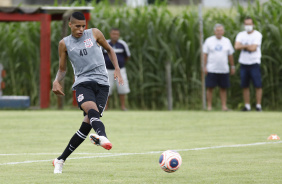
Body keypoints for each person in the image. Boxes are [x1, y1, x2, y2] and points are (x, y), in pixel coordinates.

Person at [52, 12, 123, 174]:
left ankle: (60, 160)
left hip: (103, 84)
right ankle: (102, 136)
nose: (81, 29)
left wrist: (117, 69)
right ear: (70, 25)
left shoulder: (95, 33)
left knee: (86, 126)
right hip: (83, 83)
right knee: (92, 112)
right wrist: (57, 81)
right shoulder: (64, 44)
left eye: (83, 26)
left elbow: (110, 50)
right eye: (77, 26)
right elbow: (62, 69)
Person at [203, 24, 235, 111]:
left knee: (223, 88)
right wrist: (204, 66)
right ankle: (209, 106)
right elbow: (205, 54)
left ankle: (224, 106)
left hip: (224, 69)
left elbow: (230, 55)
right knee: (210, 87)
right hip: (211, 68)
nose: (219, 32)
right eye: (217, 30)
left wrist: (232, 66)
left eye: (220, 30)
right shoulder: (209, 41)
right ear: (214, 31)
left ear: (223, 32)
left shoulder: (227, 41)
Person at [234, 17, 263, 111]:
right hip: (244, 63)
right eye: (246, 24)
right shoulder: (241, 35)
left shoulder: (257, 35)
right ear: (244, 25)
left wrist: (243, 46)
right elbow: (236, 46)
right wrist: (248, 46)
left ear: (253, 24)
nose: (248, 26)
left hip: (254, 62)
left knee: (258, 85)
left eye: (249, 24)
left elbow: (253, 48)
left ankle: (258, 106)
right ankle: (247, 106)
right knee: (244, 85)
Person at [103, 28, 131, 111]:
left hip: (120, 70)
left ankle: (123, 107)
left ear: (119, 35)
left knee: (122, 87)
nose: (115, 36)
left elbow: (127, 56)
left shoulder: (123, 44)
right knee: (107, 88)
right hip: (107, 70)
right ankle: (105, 107)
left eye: (116, 34)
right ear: (110, 34)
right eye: (113, 34)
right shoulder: (105, 43)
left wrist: (119, 65)